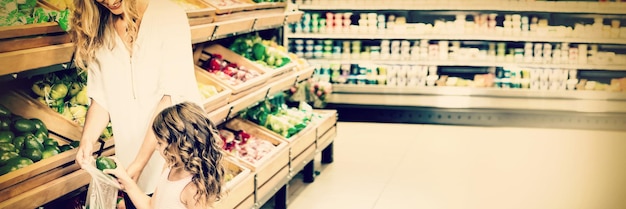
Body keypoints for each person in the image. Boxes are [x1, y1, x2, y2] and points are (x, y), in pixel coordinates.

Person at [70, 0, 203, 207]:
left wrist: (139, 164)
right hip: (131, 166)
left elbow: (170, 98)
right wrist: (87, 141)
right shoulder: (100, 30)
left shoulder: (168, 16)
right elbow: (101, 98)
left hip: (177, 164)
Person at [104, 102, 226, 209]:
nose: (156, 147)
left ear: (179, 144)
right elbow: (151, 206)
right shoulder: (169, 168)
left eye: (160, 143)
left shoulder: (194, 189)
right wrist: (125, 180)